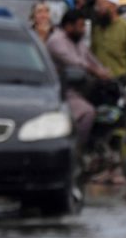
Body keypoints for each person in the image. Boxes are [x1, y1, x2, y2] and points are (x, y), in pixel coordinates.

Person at [46, 9, 113, 148]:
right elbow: (75, 62)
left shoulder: (78, 41)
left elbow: (91, 59)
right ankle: (77, 149)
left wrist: (105, 72)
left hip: (82, 89)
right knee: (88, 112)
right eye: (80, 26)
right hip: (64, 92)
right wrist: (96, 71)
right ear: (69, 26)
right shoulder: (56, 41)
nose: (83, 30)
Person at [90, 0, 126, 91]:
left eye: (101, 5)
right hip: (99, 85)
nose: (98, 9)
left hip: (119, 84)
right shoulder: (97, 29)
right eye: (97, 5)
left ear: (113, 7)